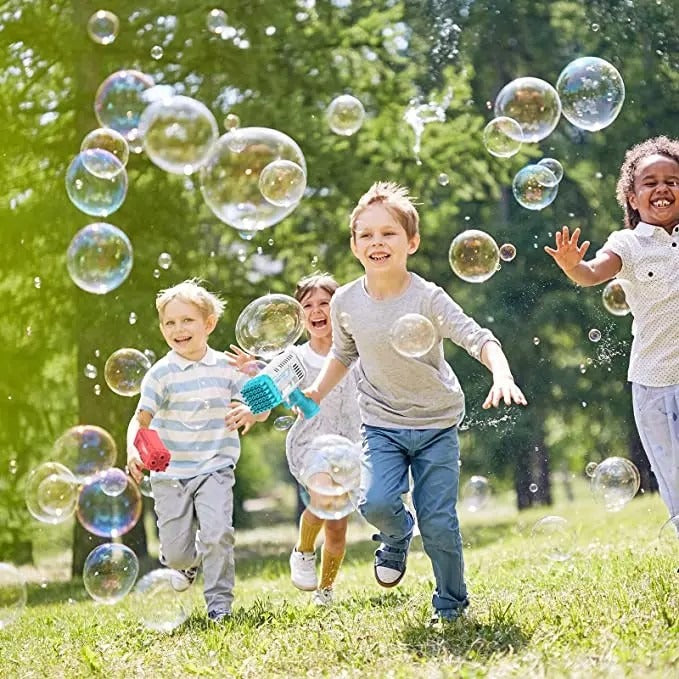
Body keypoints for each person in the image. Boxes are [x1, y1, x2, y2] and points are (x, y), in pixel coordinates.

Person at [304, 182, 527, 624]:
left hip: (436, 423)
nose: (377, 242)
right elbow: (344, 353)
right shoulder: (346, 300)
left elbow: (477, 337)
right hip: (380, 423)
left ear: (412, 242)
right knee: (375, 503)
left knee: (440, 522)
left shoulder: (427, 297)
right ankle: (397, 534)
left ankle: (450, 604)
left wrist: (501, 372)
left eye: (388, 233)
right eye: (365, 235)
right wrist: (315, 392)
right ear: (353, 245)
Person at [545, 136, 679, 522]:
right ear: (633, 199)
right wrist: (573, 266)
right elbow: (593, 272)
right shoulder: (628, 243)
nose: (662, 188)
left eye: (672, 180)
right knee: (672, 474)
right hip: (653, 382)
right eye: (650, 182)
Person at [126, 279, 267, 623]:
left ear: (208, 324)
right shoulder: (161, 374)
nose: (178, 329)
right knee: (175, 553)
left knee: (218, 534)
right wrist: (133, 448)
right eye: (169, 323)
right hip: (170, 473)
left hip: (215, 467)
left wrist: (254, 388)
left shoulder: (227, 367)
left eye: (187, 320)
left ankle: (219, 605)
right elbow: (140, 419)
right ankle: (186, 566)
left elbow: (261, 408)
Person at [226, 273, 361, 607]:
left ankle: (325, 589)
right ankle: (303, 551)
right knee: (322, 498)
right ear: (300, 317)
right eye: (308, 305)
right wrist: (249, 406)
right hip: (312, 442)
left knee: (338, 528)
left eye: (324, 304)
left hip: (354, 445)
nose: (317, 311)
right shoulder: (295, 359)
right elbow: (266, 396)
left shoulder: (358, 350)